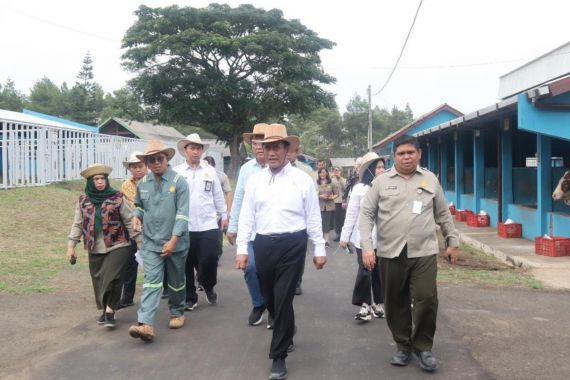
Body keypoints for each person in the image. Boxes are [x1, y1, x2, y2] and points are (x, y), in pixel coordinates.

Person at [359, 135, 459, 372]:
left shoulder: (430, 180)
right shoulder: (381, 182)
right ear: (394, 156)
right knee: (395, 301)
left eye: (410, 153)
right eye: (401, 153)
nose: (406, 157)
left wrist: (452, 241)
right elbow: (366, 215)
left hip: (423, 251)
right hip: (390, 252)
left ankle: (423, 347)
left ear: (419, 154)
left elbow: (443, 214)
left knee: (427, 298)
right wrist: (366, 247)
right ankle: (403, 346)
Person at [235, 124, 327, 380]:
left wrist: (319, 247)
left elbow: (313, 216)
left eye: (277, 146)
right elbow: (246, 217)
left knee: (284, 296)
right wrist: (242, 249)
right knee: (271, 298)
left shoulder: (302, 180)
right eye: (267, 147)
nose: (272, 152)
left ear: (287, 150)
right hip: (263, 244)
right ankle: (286, 326)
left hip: (293, 244)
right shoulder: (255, 180)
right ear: (262, 150)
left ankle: (278, 355)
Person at [128, 140, 190, 342]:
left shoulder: (179, 182)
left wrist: (173, 240)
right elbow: (140, 205)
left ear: (167, 159)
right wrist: (137, 215)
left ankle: (177, 311)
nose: (156, 163)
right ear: (147, 162)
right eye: (152, 160)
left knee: (176, 281)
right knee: (151, 282)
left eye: (160, 159)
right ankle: (145, 323)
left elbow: (182, 214)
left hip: (176, 242)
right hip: (151, 242)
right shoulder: (143, 183)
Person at [67, 163, 139, 329]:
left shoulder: (118, 197)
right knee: (99, 280)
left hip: (119, 244)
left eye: (102, 179)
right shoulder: (83, 201)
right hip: (95, 247)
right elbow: (77, 224)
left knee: (112, 278)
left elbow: (129, 220)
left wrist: (139, 242)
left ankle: (110, 311)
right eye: (96, 179)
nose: (100, 182)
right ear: (90, 182)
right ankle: (106, 309)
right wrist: (71, 246)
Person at [174, 134, 227, 309]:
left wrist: (224, 215)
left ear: (202, 151)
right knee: (187, 263)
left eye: (198, 148)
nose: (196, 152)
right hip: (185, 226)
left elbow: (218, 195)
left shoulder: (210, 171)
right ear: (185, 150)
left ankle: (208, 284)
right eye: (192, 148)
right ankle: (190, 296)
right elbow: (171, 199)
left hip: (208, 224)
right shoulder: (177, 172)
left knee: (210, 259)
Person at [227, 123, 269, 326]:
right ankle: (259, 303)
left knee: (270, 272)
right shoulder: (246, 169)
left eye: (262, 141)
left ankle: (275, 309)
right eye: (255, 142)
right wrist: (232, 226)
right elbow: (239, 198)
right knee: (250, 267)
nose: (258, 145)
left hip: (273, 231)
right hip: (250, 231)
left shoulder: (278, 166)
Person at [339, 153, 385, 322]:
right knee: (365, 270)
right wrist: (344, 237)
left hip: (383, 239)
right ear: (371, 170)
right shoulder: (359, 189)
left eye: (382, 167)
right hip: (362, 238)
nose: (381, 170)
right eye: (378, 167)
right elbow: (351, 214)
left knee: (378, 272)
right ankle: (365, 305)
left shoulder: (388, 187)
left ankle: (379, 303)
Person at [286, 144, 317, 296]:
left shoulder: (306, 171)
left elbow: (313, 196)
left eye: (291, 151)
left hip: (301, 222)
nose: (288, 154)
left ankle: (297, 281)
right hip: (282, 220)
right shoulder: (274, 169)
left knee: (298, 254)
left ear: (297, 152)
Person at [119, 151, 147, 308]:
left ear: (146, 166)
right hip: (131, 227)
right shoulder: (126, 185)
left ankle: (165, 288)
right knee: (130, 262)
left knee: (158, 258)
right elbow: (127, 206)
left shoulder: (153, 181)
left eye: (140, 166)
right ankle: (127, 296)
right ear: (130, 169)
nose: (138, 169)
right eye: (134, 167)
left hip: (152, 226)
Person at [204, 155, 233, 259]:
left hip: (218, 213)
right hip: (205, 214)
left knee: (218, 238)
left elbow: (228, 192)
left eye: (211, 166)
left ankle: (216, 255)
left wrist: (228, 211)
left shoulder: (221, 176)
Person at [317, 168, 338, 248]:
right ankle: (320, 239)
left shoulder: (331, 183)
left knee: (327, 224)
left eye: (324, 172)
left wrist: (331, 197)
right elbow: (312, 194)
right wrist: (320, 196)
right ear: (319, 174)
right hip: (319, 206)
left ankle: (327, 241)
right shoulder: (316, 183)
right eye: (321, 173)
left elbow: (336, 194)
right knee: (320, 223)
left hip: (329, 206)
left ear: (326, 173)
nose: (322, 174)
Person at [331, 166, 347, 241]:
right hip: (335, 201)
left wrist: (339, 179)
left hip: (343, 202)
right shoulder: (331, 180)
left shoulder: (344, 180)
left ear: (341, 171)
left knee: (342, 218)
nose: (336, 172)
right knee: (336, 218)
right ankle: (338, 234)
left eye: (337, 170)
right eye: (334, 170)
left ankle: (343, 234)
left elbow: (345, 189)